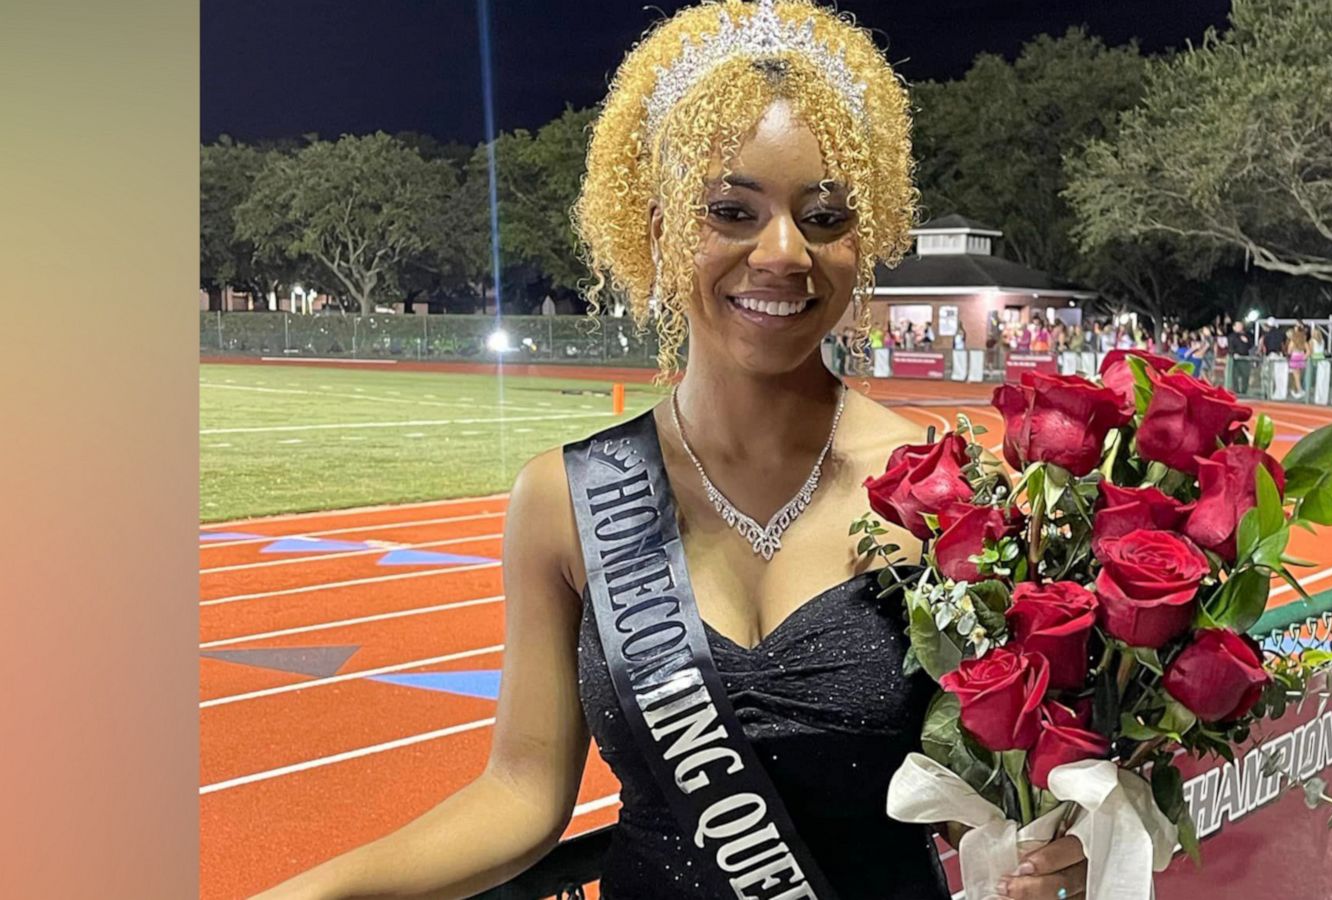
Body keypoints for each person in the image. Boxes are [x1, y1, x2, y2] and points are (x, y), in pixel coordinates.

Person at [250, 4, 1087, 900]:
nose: (782, 252)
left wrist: (1057, 855)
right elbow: (523, 793)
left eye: (825, 215)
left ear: (864, 239)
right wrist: (314, 893)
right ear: (653, 229)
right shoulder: (564, 501)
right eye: (730, 210)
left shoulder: (951, 486)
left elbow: (987, 796)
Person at [1227, 320, 1254, 394]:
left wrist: (1247, 341)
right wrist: (1234, 353)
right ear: (1234, 327)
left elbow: (1251, 345)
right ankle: (1236, 390)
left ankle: (1244, 390)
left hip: (1245, 358)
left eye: (1241, 326)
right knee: (1235, 375)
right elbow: (1230, 347)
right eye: (1238, 326)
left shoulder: (1247, 335)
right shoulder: (1232, 336)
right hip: (1235, 359)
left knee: (1245, 375)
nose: (1240, 327)